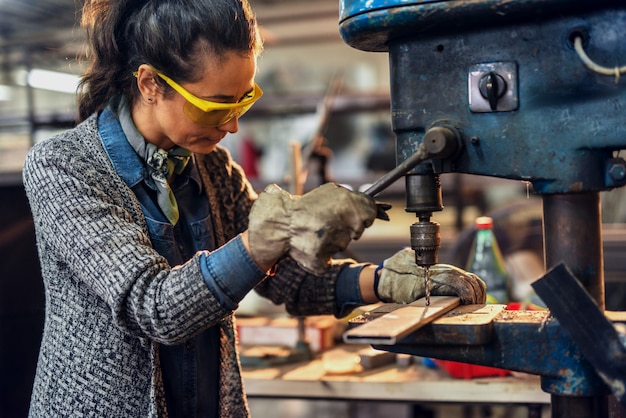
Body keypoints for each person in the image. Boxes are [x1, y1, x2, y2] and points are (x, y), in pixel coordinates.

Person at [22, 0, 486, 416]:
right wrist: (261, 241)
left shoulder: (211, 168)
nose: (233, 123)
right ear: (149, 83)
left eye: (244, 99)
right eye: (215, 105)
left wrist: (381, 281)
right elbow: (154, 308)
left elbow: (289, 277)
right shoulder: (64, 168)